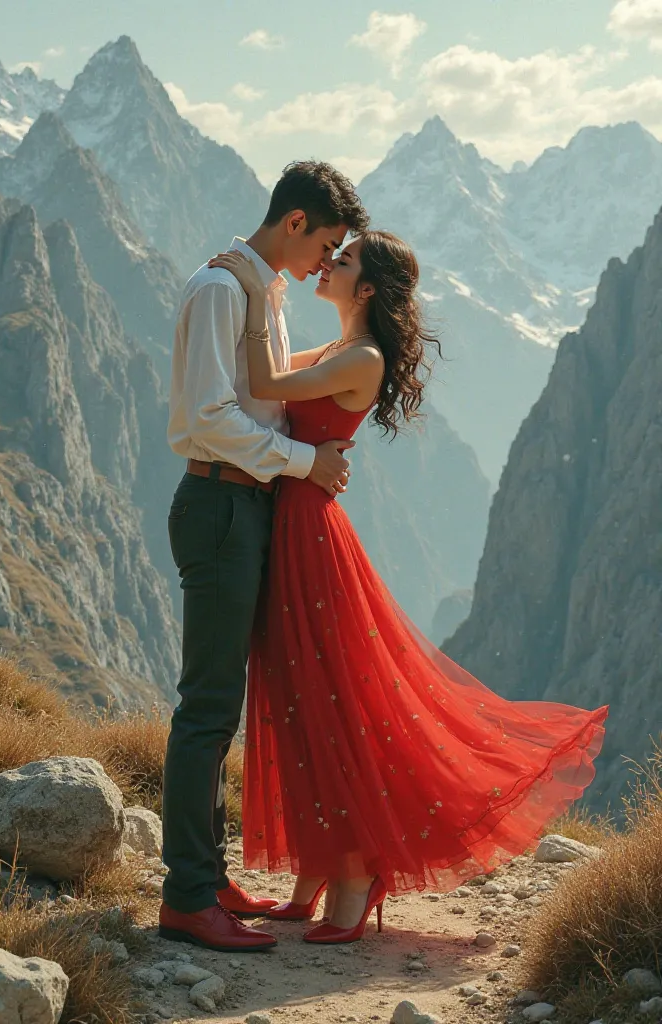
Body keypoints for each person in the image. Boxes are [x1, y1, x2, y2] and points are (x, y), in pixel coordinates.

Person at [208, 230, 609, 945]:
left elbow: (265, 383)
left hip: (310, 536)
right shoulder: (339, 351)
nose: (329, 264)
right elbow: (256, 375)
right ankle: (318, 867)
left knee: (329, 701)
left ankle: (357, 873)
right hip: (296, 524)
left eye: (345, 259)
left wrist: (258, 280)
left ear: (365, 290)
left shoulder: (361, 357)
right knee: (299, 697)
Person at [159, 162, 370, 952]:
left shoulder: (266, 293)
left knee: (223, 710)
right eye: (326, 242)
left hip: (244, 504)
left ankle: (207, 878)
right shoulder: (222, 291)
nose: (326, 259)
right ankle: (186, 896)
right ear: (294, 224)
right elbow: (210, 417)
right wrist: (302, 462)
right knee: (208, 707)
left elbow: (268, 399)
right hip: (219, 502)